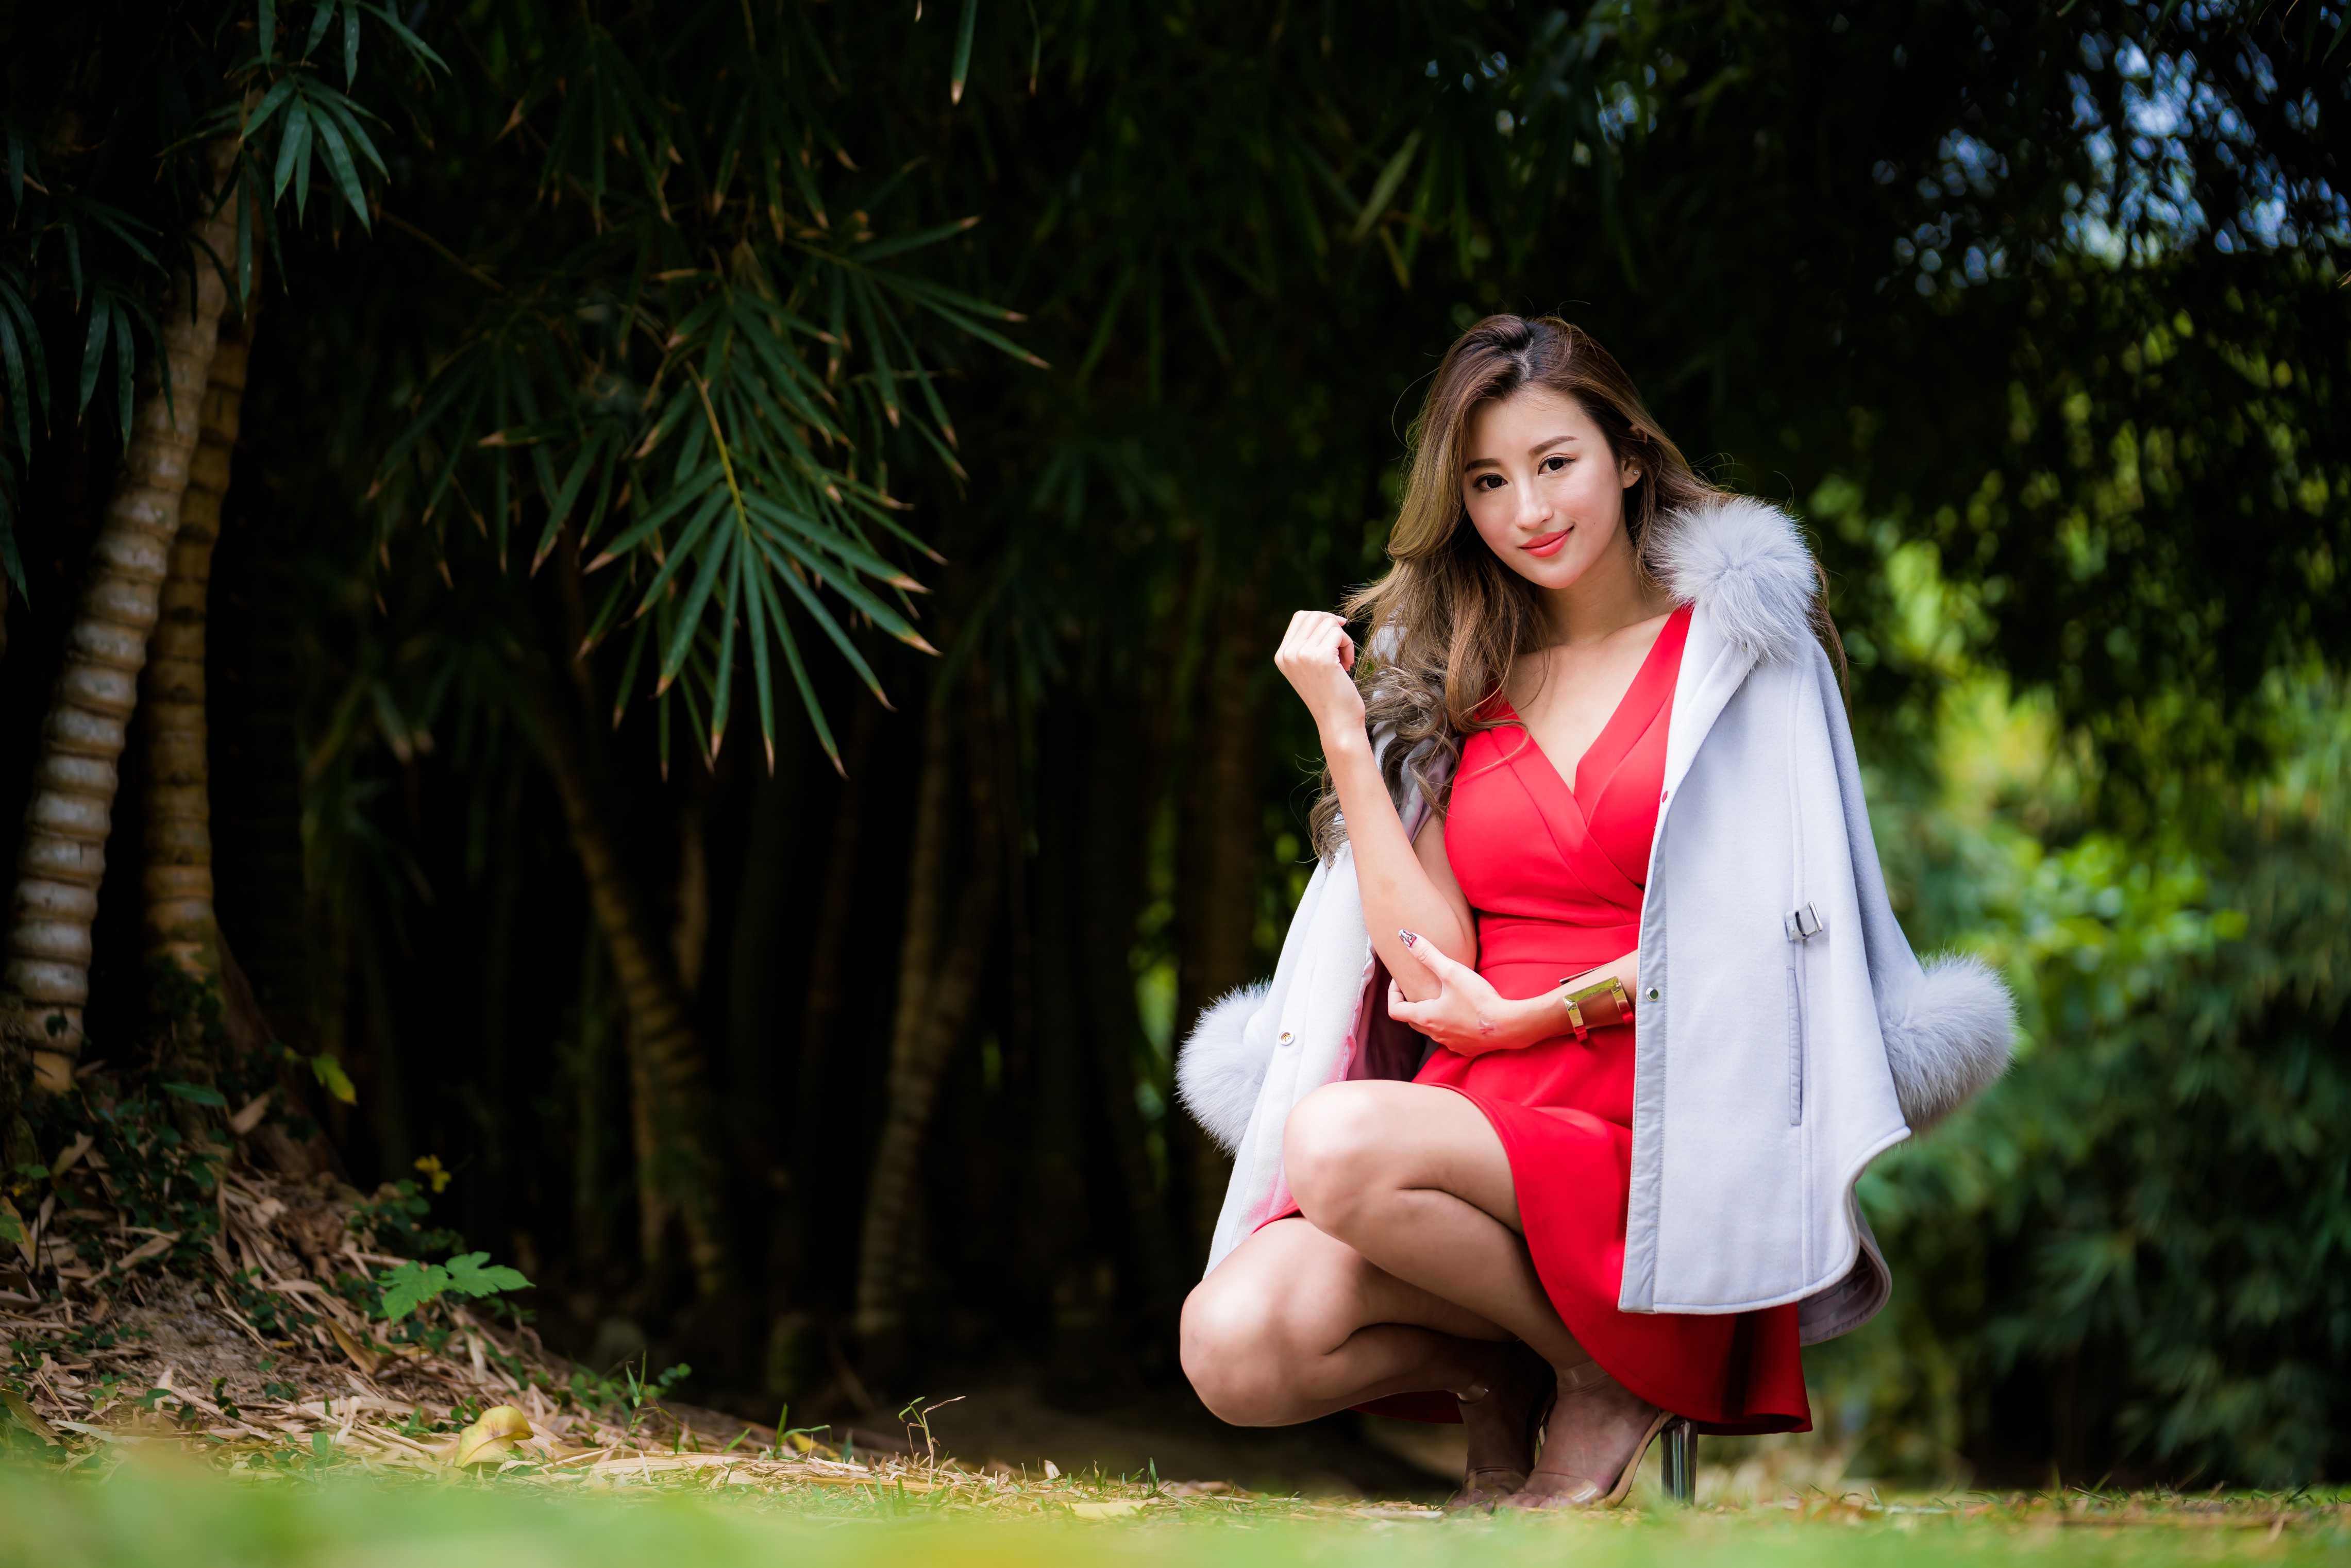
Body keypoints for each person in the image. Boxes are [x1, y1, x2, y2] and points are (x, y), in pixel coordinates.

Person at [1174, 315, 2011, 1510]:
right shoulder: (1464, 671)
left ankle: (1606, 1373)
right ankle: (1518, 1369)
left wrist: (1543, 1014)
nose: (1528, 509)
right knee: (1232, 1343)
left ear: (1624, 453)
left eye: (1554, 462)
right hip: (1471, 1131)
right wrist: (1350, 740)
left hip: (1668, 1113)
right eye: (1487, 481)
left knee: (1338, 1139)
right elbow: (1433, 959)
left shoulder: (1737, 655)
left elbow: (1770, 939)